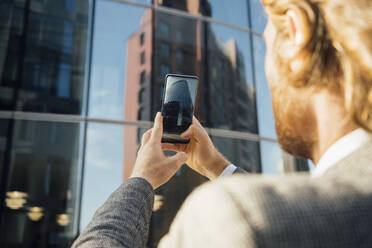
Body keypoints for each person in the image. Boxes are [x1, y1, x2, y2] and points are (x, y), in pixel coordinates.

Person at [72, 0, 372, 247]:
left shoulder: (234, 219)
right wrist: (217, 166)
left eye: (267, 45)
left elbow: (262, 219)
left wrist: (140, 180)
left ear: (295, 31)